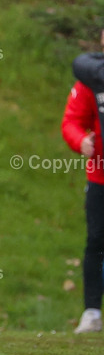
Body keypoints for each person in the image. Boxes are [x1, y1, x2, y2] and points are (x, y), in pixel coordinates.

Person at [65, 35, 104, 333]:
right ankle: (92, 312)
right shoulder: (92, 79)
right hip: (100, 176)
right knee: (96, 241)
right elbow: (72, 122)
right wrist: (81, 141)